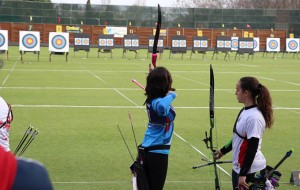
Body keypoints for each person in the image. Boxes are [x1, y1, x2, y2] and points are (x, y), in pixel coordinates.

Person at [214, 76, 274, 190]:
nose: (235, 93)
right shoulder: (245, 111)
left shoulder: (254, 117)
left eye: (237, 90)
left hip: (250, 171)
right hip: (239, 168)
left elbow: (252, 147)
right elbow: (238, 137)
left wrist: (243, 174)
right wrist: (223, 150)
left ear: (246, 93)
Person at [137, 66, 176, 190]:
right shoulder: (157, 102)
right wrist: (172, 95)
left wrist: (154, 75)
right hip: (157, 152)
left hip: (149, 150)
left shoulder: (153, 98)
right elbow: (161, 107)